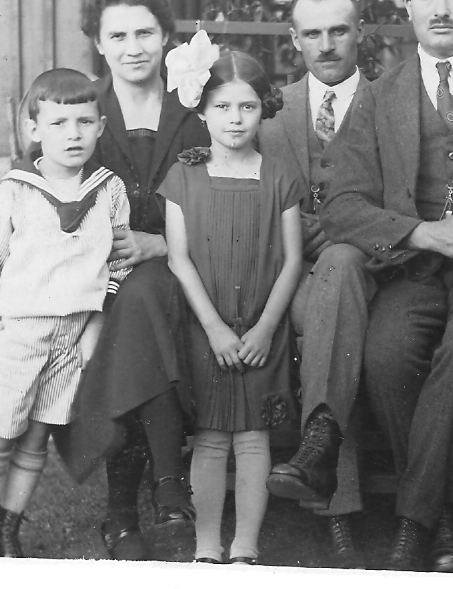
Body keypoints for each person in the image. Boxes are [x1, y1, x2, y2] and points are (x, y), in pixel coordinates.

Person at [320, 0, 453, 572]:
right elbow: (342, 207)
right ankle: (442, 510)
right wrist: (426, 235)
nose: (440, 9)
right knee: (384, 356)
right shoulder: (379, 97)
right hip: (412, 270)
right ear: (406, 4)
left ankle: (417, 521)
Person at [57, 0, 210, 561]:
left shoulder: (196, 109)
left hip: (196, 277)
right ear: (96, 42)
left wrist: (165, 247)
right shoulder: (80, 112)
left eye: (144, 33)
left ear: (166, 35)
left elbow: (233, 202)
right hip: (105, 290)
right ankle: (170, 492)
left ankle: (120, 513)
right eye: (117, 36)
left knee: (147, 289)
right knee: (138, 298)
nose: (132, 49)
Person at [0, 69, 131, 557]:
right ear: (34, 129)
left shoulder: (108, 190)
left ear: (101, 126)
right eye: (59, 123)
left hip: (74, 335)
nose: (73, 134)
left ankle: (8, 530)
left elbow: (117, 262)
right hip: (18, 333)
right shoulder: (12, 192)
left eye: (84, 121)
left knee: (36, 439)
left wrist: (96, 325)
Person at [159, 42, 302, 565]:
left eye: (246, 106)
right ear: (201, 111)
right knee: (211, 436)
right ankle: (206, 547)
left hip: (261, 327)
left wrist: (265, 328)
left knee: (253, 437)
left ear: (263, 108)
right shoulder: (184, 177)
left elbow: (291, 261)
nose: (235, 118)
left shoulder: (280, 176)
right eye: (222, 106)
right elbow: (179, 259)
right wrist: (216, 328)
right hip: (207, 326)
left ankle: (245, 546)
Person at [259, 0, 374, 569]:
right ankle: (330, 491)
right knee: (330, 310)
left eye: (339, 30)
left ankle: (333, 501)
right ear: (294, 39)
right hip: (297, 281)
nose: (327, 45)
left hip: (379, 275)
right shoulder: (270, 116)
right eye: (313, 33)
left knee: (344, 267)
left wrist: (347, 229)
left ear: (359, 32)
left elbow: (410, 201)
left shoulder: (391, 104)